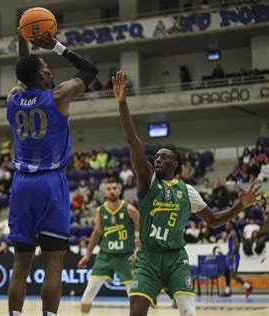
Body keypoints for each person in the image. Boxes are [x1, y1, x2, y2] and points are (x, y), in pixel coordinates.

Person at [112, 71, 261, 316]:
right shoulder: (148, 182)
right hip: (148, 258)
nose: (157, 160)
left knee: (188, 313)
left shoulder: (188, 192)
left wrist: (240, 206)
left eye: (164, 157)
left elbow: (213, 221)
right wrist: (122, 103)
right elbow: (133, 141)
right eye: (156, 157)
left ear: (176, 166)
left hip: (175, 260)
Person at [6, 29, 97, 316]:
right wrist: (56, 46)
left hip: (21, 184)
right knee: (53, 263)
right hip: (50, 182)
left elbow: (24, 72)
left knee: (20, 265)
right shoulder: (58, 96)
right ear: (43, 78)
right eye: (46, 70)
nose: (50, 73)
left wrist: (23, 36)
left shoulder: (13, 97)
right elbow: (90, 70)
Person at [78, 179, 139, 314]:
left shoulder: (129, 209)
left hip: (126, 256)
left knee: (135, 297)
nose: (112, 191)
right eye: (109, 189)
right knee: (89, 293)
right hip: (105, 256)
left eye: (114, 188)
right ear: (104, 192)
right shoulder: (100, 210)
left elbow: (142, 231)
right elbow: (97, 232)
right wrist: (88, 254)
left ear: (119, 190)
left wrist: (139, 250)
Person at [221, 221, 253, 297]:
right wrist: (229, 252)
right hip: (231, 255)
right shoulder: (231, 233)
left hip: (234, 257)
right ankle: (228, 291)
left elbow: (237, 245)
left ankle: (248, 286)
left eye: (227, 224)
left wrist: (232, 255)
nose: (226, 226)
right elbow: (232, 246)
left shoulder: (233, 233)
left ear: (231, 225)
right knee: (226, 272)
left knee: (232, 275)